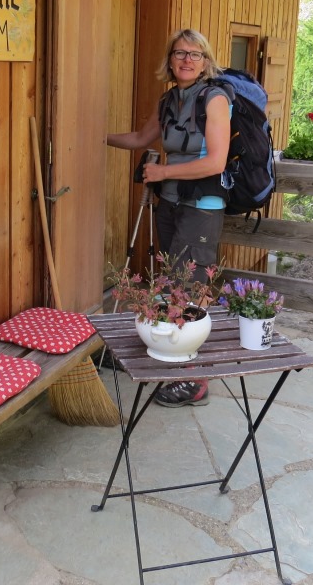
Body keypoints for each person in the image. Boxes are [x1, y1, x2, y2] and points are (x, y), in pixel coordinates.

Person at [106, 29, 230, 407]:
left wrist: (163, 172)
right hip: (171, 203)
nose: (187, 60)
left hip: (202, 206)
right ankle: (175, 355)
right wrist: (94, 136)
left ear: (206, 62)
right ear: (170, 60)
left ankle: (195, 380)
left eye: (196, 54)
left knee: (191, 286)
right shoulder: (168, 100)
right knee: (175, 282)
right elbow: (140, 139)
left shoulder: (215, 99)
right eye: (180, 53)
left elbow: (216, 161)